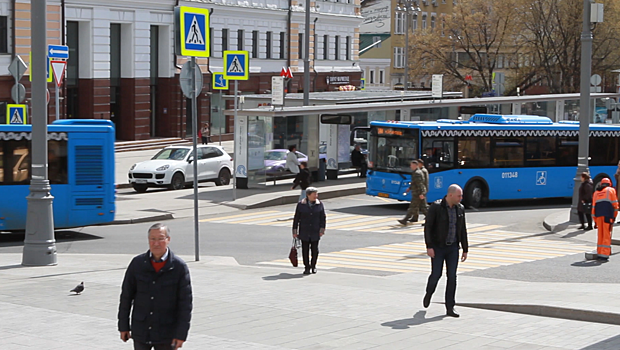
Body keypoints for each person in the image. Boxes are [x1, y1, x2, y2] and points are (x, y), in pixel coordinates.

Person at [118, 223, 193, 350]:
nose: (156, 243)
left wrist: (181, 334)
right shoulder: (137, 264)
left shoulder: (178, 267)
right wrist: (123, 326)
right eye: (152, 239)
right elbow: (126, 296)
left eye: (160, 239)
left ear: (168, 240)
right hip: (141, 330)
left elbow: (185, 304)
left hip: (166, 332)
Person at [423, 184, 469, 318]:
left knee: (452, 277)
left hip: (453, 247)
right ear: (450, 195)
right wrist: (429, 246)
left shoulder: (460, 209)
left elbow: (462, 229)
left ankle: (450, 307)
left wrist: (465, 249)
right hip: (438, 247)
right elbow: (428, 227)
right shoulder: (436, 207)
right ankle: (429, 293)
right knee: (436, 274)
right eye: (459, 196)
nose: (461, 198)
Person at [292, 187, 326, 275]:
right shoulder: (301, 205)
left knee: (315, 250)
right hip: (304, 231)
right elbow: (296, 218)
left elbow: (323, 218)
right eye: (314, 194)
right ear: (308, 195)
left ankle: (313, 266)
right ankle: (307, 267)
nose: (316, 196)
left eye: (316, 194)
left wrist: (322, 230)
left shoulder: (319, 204)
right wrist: (295, 232)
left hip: (315, 231)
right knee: (305, 250)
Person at [592, 178, 618, 260]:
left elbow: (593, 208)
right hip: (608, 216)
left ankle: (600, 252)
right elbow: (615, 205)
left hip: (598, 216)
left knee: (600, 234)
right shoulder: (611, 190)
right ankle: (605, 253)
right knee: (607, 234)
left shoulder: (596, 193)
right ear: (609, 184)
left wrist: (595, 220)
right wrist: (614, 216)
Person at [398, 160, 427, 225]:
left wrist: (422, 193)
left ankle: (405, 220)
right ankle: (431, 220)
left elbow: (420, 184)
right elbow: (415, 183)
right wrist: (409, 188)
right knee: (423, 207)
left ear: (415, 165)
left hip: (418, 193)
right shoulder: (416, 172)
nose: (410, 166)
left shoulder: (417, 173)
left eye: (411, 165)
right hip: (418, 192)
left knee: (413, 206)